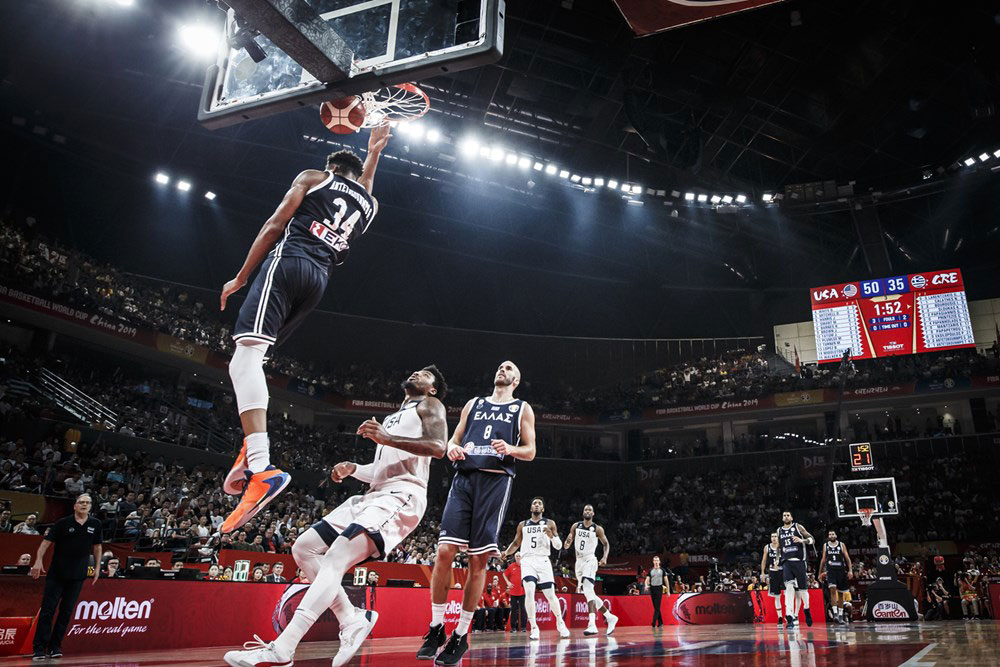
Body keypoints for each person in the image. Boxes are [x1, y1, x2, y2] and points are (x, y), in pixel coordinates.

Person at [218, 124, 392, 534]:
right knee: (253, 360)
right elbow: (365, 187)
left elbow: (274, 224)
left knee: (244, 359)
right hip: (318, 281)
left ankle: (261, 465)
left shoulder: (314, 177)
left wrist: (241, 276)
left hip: (289, 262)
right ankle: (250, 449)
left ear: (330, 167)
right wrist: (374, 153)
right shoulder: (369, 205)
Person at [223, 365, 447, 667]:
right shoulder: (394, 416)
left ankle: (283, 648)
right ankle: (351, 617)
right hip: (374, 493)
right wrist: (355, 468)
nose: (417, 373)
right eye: (417, 370)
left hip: (402, 496)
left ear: (433, 389)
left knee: (336, 557)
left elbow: (438, 448)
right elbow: (383, 470)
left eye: (426, 375)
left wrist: (387, 438)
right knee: (304, 547)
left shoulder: (431, 405)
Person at [417, 361, 536, 665]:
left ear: (516, 379)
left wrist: (510, 448)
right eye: (500, 366)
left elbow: (530, 451)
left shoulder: (522, 408)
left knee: (477, 560)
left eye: (509, 368)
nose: (502, 369)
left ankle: (460, 635)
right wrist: (452, 448)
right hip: (465, 478)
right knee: (444, 551)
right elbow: (454, 439)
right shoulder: (474, 404)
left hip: (495, 482)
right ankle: (436, 627)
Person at [29, 494, 103, 660]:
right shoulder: (63, 523)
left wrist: (97, 567)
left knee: (66, 612)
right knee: (48, 611)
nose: (84, 505)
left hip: (77, 575)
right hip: (57, 573)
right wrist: (38, 560)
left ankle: (55, 647)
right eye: (81, 502)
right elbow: (45, 543)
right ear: (75, 505)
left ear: (90, 506)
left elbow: (97, 547)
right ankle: (39, 648)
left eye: (88, 503)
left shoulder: (95, 524)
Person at [502, 497, 571, 641]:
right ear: (531, 508)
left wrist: (552, 537)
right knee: (529, 592)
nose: (537, 505)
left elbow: (558, 546)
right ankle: (534, 627)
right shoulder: (523, 524)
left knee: (550, 595)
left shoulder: (550, 523)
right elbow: (516, 543)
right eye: (534, 503)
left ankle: (560, 622)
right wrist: (506, 552)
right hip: (528, 560)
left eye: (539, 503)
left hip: (543, 560)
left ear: (543, 509)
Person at [564, 504, 617, 635]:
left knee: (588, 590)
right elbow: (566, 545)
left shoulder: (597, 529)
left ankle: (592, 624)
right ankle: (610, 617)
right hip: (579, 562)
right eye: (586, 509)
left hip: (590, 560)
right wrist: (567, 542)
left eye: (590, 510)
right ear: (583, 512)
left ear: (593, 514)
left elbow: (606, 544)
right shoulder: (575, 526)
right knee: (589, 593)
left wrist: (604, 557)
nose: (587, 511)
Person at [777, 510, 815, 628]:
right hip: (786, 562)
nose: (786, 517)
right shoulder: (779, 530)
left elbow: (812, 539)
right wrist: (777, 558)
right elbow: (779, 546)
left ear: (791, 517)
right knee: (789, 588)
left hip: (799, 561)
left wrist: (802, 540)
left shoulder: (798, 527)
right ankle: (790, 616)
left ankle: (806, 609)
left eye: (788, 515)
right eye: (784, 515)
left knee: (803, 590)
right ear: (782, 518)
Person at [818, 529, 853, 625]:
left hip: (841, 570)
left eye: (833, 534)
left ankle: (841, 616)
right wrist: (820, 572)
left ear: (836, 535)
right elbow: (823, 559)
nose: (831, 535)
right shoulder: (826, 545)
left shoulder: (841, 545)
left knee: (841, 594)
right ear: (828, 536)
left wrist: (850, 570)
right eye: (830, 534)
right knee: (832, 590)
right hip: (831, 570)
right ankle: (835, 614)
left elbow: (847, 558)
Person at [761, 532, 785, 626]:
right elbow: (764, 560)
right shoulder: (767, 547)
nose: (774, 538)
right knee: (777, 596)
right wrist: (763, 573)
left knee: (787, 594)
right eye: (772, 536)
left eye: (775, 536)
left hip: (783, 572)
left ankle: (789, 615)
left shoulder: (782, 546)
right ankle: (780, 617)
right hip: (773, 572)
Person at [503, 552, 526, 633]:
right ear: (515, 557)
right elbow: (504, 574)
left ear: (521, 557)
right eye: (517, 556)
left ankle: (523, 627)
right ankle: (513, 628)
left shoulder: (525, 566)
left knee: (523, 610)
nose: (518, 557)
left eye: (519, 556)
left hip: (522, 591)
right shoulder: (511, 566)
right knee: (513, 610)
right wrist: (508, 582)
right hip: (513, 592)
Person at [644, 556, 666, 628]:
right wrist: (646, 585)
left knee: (657, 607)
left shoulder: (662, 570)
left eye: (657, 560)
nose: (656, 562)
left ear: (659, 561)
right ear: (653, 562)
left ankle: (653, 622)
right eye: (655, 560)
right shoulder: (651, 570)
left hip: (659, 588)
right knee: (656, 607)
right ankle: (660, 622)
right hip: (652, 588)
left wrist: (668, 590)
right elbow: (647, 580)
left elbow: (666, 580)